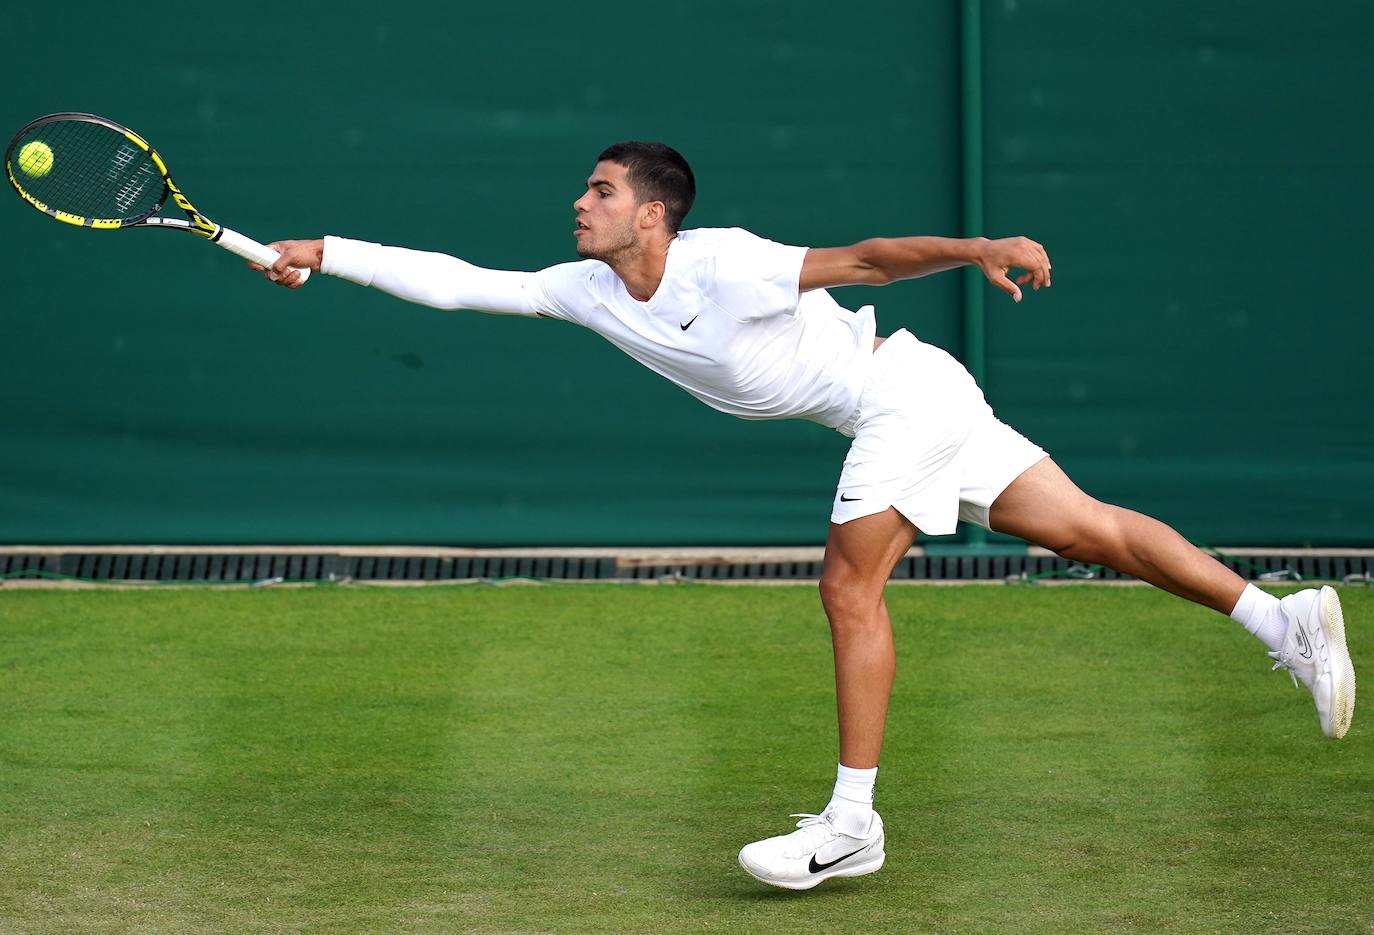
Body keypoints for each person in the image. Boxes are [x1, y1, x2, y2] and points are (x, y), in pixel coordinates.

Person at [253, 141, 1356, 891]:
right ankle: (1282, 619)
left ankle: (852, 822)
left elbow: (869, 260)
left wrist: (977, 249)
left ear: (653, 211)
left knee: (846, 584)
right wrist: (325, 251)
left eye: (598, 190)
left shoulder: (726, 261)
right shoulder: (587, 288)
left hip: (902, 395)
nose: (578, 204)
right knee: (1089, 530)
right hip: (913, 396)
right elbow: (458, 282)